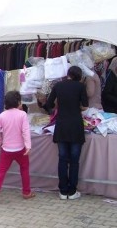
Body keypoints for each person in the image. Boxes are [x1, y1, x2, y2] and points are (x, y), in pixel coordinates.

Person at [46, 65, 88, 200]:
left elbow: (49, 104)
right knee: (74, 160)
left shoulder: (58, 86)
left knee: (63, 159)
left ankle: (63, 191)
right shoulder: (80, 87)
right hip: (76, 125)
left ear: (68, 74)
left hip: (62, 125)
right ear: (79, 76)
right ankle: (72, 191)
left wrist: (58, 107)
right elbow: (85, 105)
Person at [0, 91, 34, 205]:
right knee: (24, 169)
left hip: (6, 149)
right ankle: (26, 192)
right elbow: (25, 131)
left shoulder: (2, 115)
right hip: (21, 149)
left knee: (0, 171)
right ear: (19, 102)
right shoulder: (22, 114)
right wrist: (28, 146)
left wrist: (0, 142)